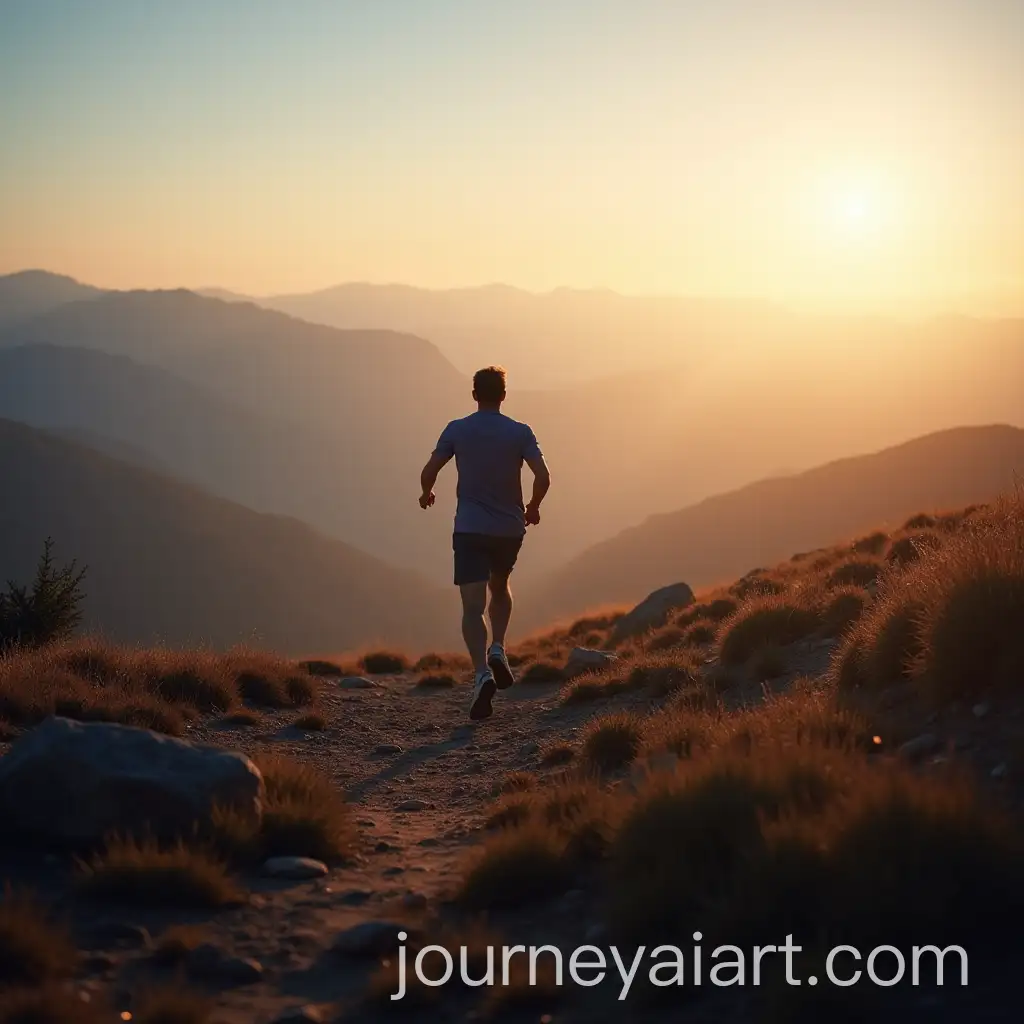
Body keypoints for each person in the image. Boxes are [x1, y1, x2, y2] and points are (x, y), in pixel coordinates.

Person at [419, 365, 551, 720]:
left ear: (474, 394)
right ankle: (498, 648)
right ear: (504, 396)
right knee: (501, 584)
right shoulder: (520, 432)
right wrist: (533, 508)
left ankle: (481, 674)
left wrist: (426, 492)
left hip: (470, 529)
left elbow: (430, 470)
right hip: (509, 529)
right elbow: (543, 476)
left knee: (472, 607)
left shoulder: (457, 429)